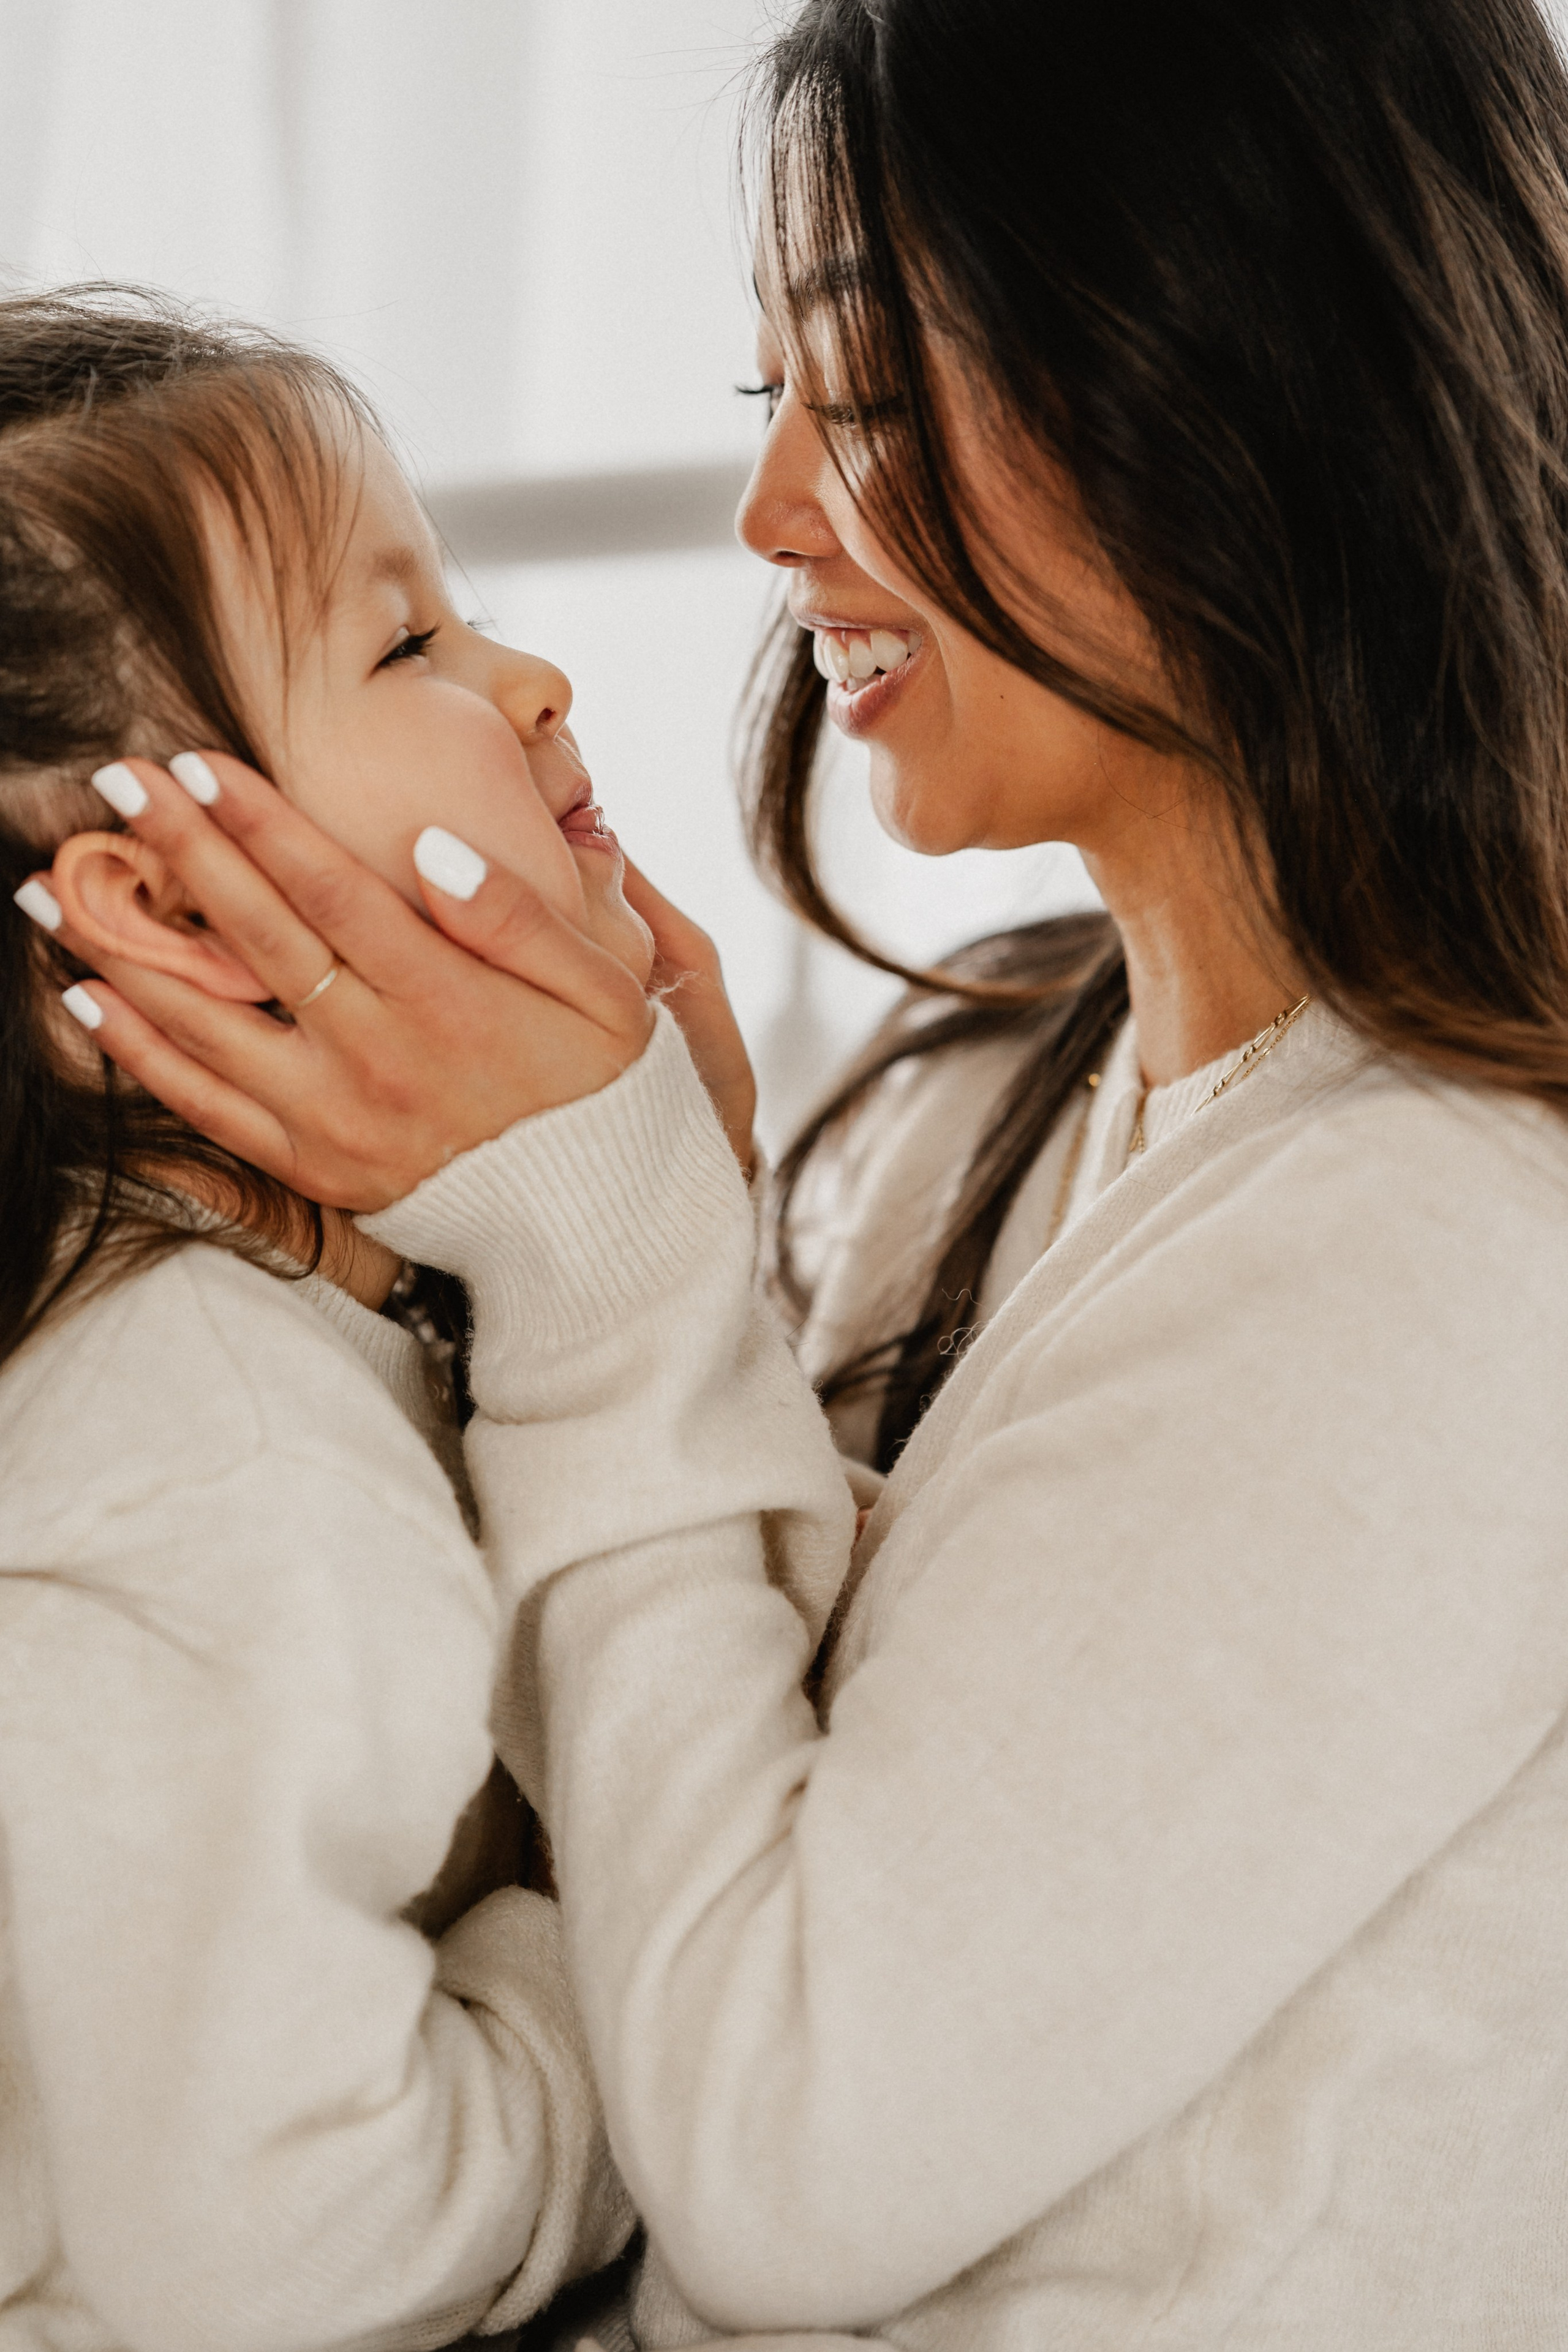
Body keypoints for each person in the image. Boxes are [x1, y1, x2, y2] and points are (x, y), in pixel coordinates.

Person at [28, 0, 1568, 2341]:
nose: (771, 521)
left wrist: (624, 1283)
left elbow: (771, 2158)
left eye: (856, 398)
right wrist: (645, 1261)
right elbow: (732, 1821)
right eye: (776, 408)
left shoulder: (1454, 1233)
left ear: (1222, 374)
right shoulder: (1003, 1099)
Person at [0, 286, 673, 2351]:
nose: (537, 676)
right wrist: (622, 1985)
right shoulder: (223, 1454)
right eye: (407, 644)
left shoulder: (334, 1326)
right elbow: (293, 2252)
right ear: (172, 913)